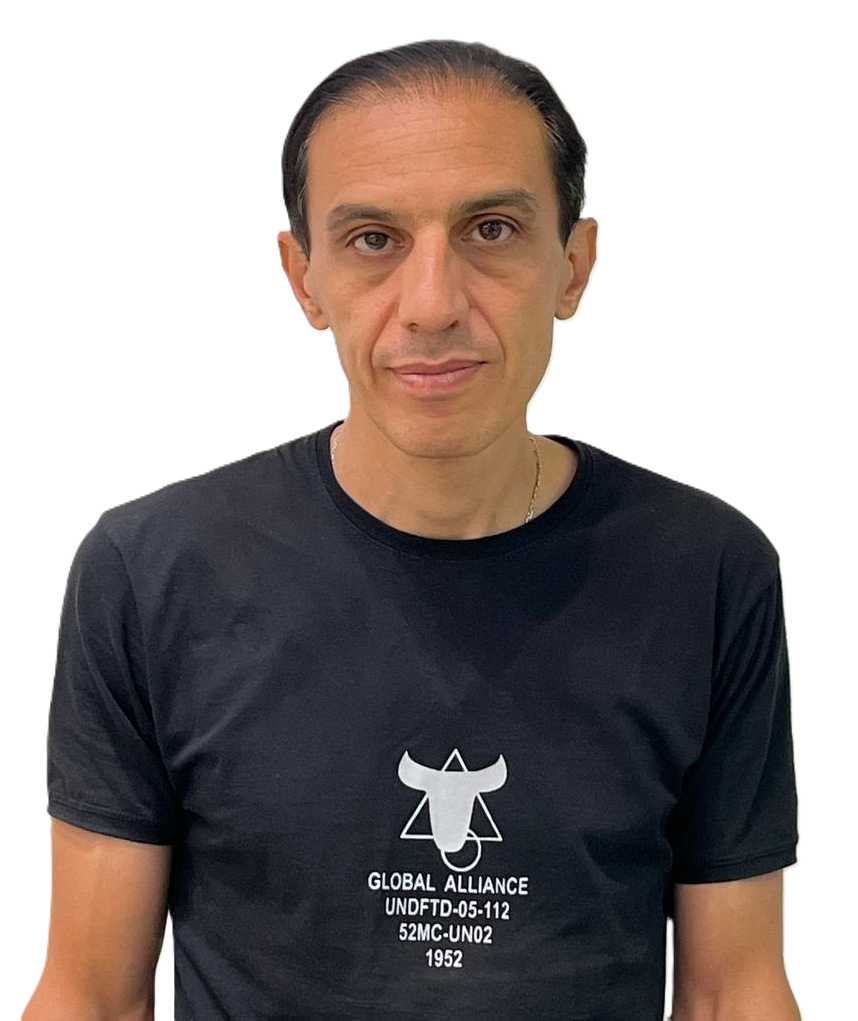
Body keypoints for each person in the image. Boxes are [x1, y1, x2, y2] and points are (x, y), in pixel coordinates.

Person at [24, 39, 800, 1021]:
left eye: (491, 229)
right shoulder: (151, 574)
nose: (433, 305)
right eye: (373, 239)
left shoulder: (708, 572)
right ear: (303, 278)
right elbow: (90, 996)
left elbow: (735, 991)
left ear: (574, 265)